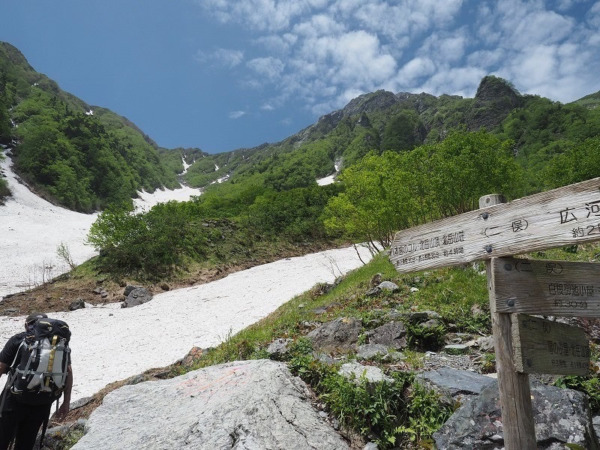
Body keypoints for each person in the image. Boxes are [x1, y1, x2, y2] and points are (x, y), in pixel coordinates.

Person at [0, 313, 73, 450]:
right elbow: (68, 372)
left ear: (27, 324)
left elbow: (0, 367)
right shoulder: (58, 344)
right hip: (42, 403)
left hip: (13, 401)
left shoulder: (20, 339)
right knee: (25, 444)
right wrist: (66, 402)